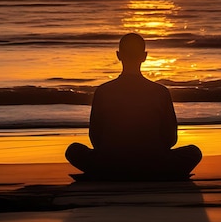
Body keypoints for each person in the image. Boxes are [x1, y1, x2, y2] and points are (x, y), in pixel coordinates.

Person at [65, 32, 202, 180]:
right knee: (194, 152)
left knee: (73, 150)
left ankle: (111, 172)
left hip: (111, 163)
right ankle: (153, 171)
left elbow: (95, 138)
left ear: (118, 55)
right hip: (154, 162)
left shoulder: (103, 91)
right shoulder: (161, 92)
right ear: (144, 56)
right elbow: (170, 139)